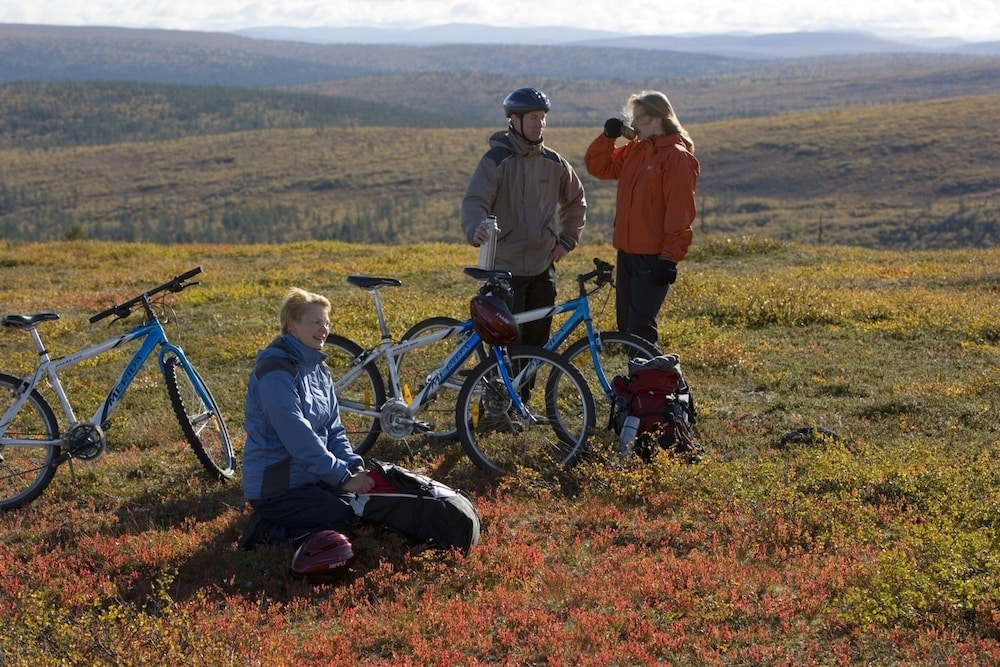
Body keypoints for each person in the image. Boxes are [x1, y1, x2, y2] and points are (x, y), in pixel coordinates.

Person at [239, 287, 376, 550]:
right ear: (292, 326)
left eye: (326, 322)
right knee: (347, 520)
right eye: (315, 322)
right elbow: (298, 436)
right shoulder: (275, 373)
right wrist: (343, 478)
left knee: (370, 508)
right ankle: (266, 531)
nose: (323, 329)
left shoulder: (318, 369)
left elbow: (333, 428)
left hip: (314, 478)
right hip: (278, 490)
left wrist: (353, 467)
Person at [462, 87, 587, 347]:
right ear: (514, 119)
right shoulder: (496, 160)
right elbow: (475, 201)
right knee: (507, 349)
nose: (540, 124)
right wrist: (475, 228)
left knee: (536, 346)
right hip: (505, 271)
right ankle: (497, 387)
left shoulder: (555, 163)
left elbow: (576, 201)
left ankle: (526, 390)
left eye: (543, 117)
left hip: (543, 270)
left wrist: (567, 240)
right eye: (533, 118)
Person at [584, 90, 700, 347]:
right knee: (627, 328)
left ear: (657, 119)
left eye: (638, 118)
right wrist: (607, 138)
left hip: (653, 258)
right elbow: (599, 167)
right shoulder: (637, 150)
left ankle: (654, 385)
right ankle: (638, 385)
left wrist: (669, 258)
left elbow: (680, 213)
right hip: (627, 253)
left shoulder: (676, 157)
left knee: (640, 332)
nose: (633, 125)